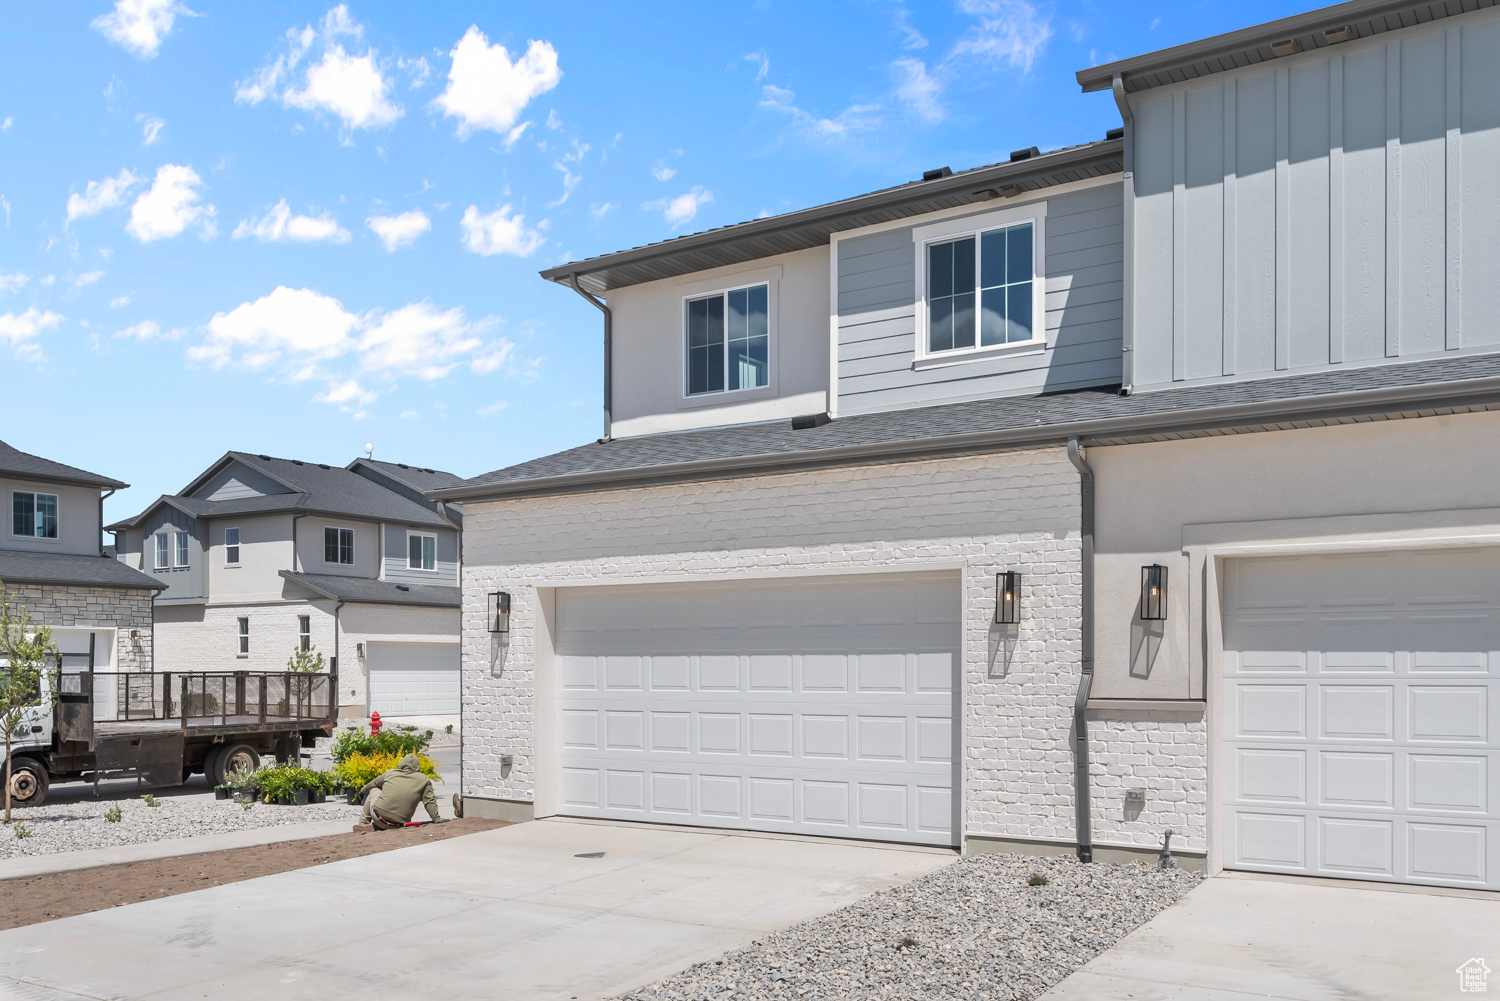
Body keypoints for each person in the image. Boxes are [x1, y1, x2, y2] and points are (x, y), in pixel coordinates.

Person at [353, 753, 443, 832]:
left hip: (379, 819)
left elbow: (373, 784)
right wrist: (436, 819)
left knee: (374, 790)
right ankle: (380, 824)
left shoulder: (390, 773)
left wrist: (361, 792)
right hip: (400, 824)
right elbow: (429, 801)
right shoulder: (424, 779)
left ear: (402, 764)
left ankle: (363, 823)